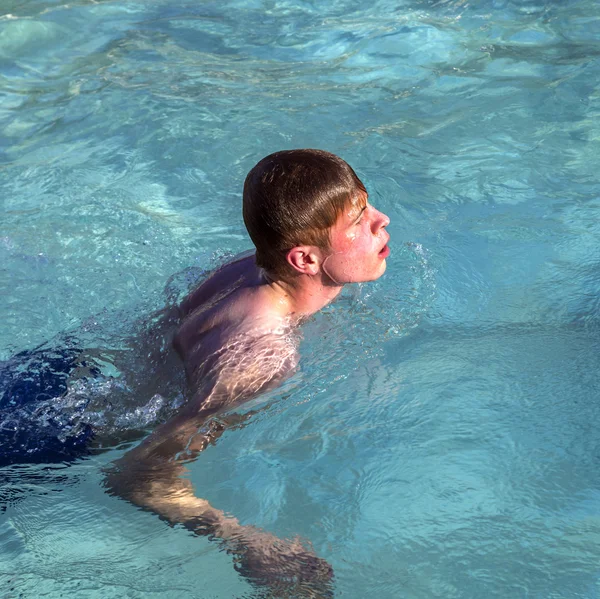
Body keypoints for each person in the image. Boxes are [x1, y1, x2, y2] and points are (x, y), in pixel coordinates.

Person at [105, 149, 391, 596]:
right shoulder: (264, 360)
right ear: (304, 260)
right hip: (58, 445)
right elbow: (138, 474)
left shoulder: (249, 268)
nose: (382, 220)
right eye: (357, 222)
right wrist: (246, 542)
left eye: (367, 204)